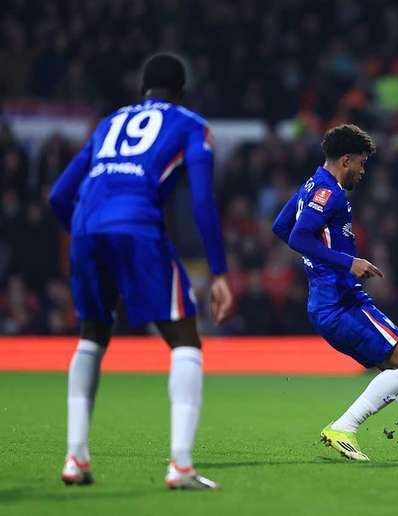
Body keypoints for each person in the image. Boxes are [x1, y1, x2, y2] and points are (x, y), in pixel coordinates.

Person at [48, 53, 233, 489]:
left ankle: (75, 457)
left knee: (92, 335)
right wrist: (220, 271)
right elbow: (203, 202)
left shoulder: (108, 122)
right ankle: (181, 466)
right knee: (185, 339)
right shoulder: (190, 123)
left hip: (86, 228)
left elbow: (59, 195)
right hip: (138, 228)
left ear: (141, 90)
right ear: (182, 91)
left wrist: (84, 235)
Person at [272, 124, 398, 462]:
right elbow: (298, 237)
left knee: (393, 368)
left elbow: (281, 227)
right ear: (345, 160)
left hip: (326, 300)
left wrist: (318, 263)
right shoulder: (328, 193)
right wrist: (346, 262)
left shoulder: (311, 185)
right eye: (361, 163)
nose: (363, 171)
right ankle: (344, 427)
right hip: (341, 301)